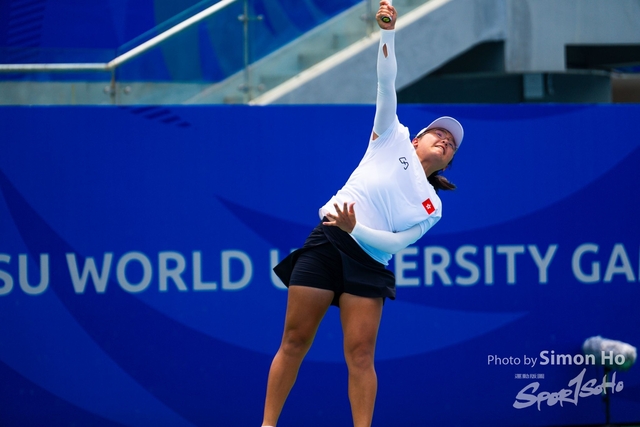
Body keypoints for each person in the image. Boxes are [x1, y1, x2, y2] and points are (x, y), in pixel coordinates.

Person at [261, 1, 464, 426]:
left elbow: (398, 242)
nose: (445, 140)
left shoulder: (433, 205)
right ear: (418, 138)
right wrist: (388, 32)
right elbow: (386, 80)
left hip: (369, 262)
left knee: (360, 355)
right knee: (294, 340)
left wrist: (359, 230)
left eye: (451, 144)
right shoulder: (391, 134)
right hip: (328, 241)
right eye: (439, 133)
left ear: (447, 163)